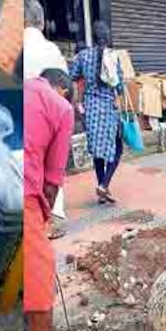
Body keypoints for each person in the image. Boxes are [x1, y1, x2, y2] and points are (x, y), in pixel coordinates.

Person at [24, 65, 79, 331]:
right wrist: (41, 223)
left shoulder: (25, 88)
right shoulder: (60, 108)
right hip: (24, 200)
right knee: (40, 309)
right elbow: (52, 181)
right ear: (62, 89)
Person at [22, 0, 69, 240]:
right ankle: (49, 219)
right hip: (48, 123)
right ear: (41, 23)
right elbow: (64, 89)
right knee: (52, 169)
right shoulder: (51, 50)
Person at [70, 21, 123, 204]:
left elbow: (73, 75)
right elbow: (120, 87)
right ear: (108, 38)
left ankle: (102, 186)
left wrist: (78, 99)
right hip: (108, 109)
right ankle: (104, 184)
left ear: (93, 38)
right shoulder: (113, 57)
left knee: (97, 152)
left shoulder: (82, 56)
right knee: (117, 148)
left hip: (91, 109)